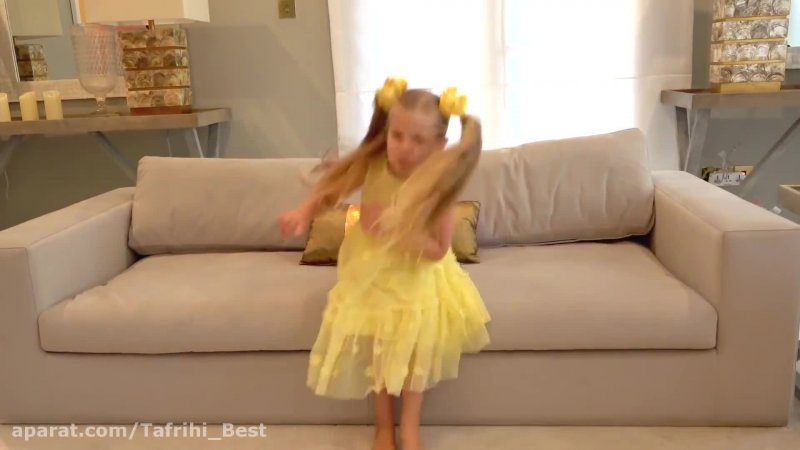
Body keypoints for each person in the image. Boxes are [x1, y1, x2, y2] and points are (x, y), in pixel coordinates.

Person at [279, 78, 491, 450]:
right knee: (378, 352)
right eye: (397, 136)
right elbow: (332, 191)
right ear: (387, 132)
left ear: (439, 145)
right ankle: (382, 427)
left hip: (415, 277)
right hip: (372, 274)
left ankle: (409, 427)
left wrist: (397, 228)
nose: (404, 148)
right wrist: (302, 212)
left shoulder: (439, 183)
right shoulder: (374, 164)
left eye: (418, 140)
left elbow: (437, 250)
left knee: (412, 355)